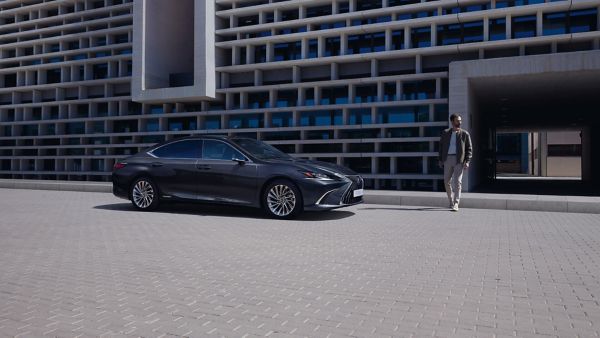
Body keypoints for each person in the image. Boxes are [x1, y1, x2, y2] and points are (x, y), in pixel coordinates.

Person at [438, 114, 472, 212]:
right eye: (457, 121)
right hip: (447, 159)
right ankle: (451, 201)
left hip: (459, 160)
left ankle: (456, 203)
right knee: (446, 181)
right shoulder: (445, 133)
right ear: (452, 122)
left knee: (457, 182)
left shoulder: (465, 134)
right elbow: (441, 147)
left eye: (460, 120)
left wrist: (467, 161)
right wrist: (440, 159)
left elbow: (469, 149)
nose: (460, 122)